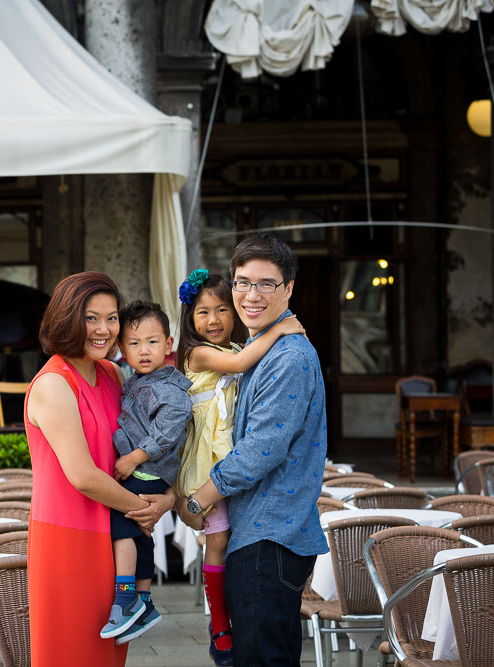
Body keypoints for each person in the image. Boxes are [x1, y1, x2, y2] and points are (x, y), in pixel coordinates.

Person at [181, 234, 328, 666]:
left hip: (269, 536)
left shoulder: (287, 358)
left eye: (266, 284)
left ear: (289, 289)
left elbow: (261, 449)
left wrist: (198, 499)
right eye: (243, 283)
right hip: (255, 532)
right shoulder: (251, 350)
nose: (252, 295)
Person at [24, 272, 174, 666]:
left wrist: (168, 497)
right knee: (71, 651)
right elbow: (83, 476)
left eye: (112, 318)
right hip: (69, 539)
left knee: (109, 654)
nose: (104, 329)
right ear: (67, 318)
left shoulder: (112, 373)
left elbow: (145, 445)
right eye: (92, 318)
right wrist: (143, 509)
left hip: (116, 537)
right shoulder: (53, 384)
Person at [101, 300, 191, 644]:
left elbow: (169, 431)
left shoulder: (167, 387)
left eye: (153, 342)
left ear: (168, 344)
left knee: (121, 525)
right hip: (146, 468)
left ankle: (124, 600)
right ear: (122, 347)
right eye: (134, 343)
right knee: (141, 531)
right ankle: (145, 601)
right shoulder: (136, 380)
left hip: (149, 469)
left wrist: (132, 459)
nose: (144, 350)